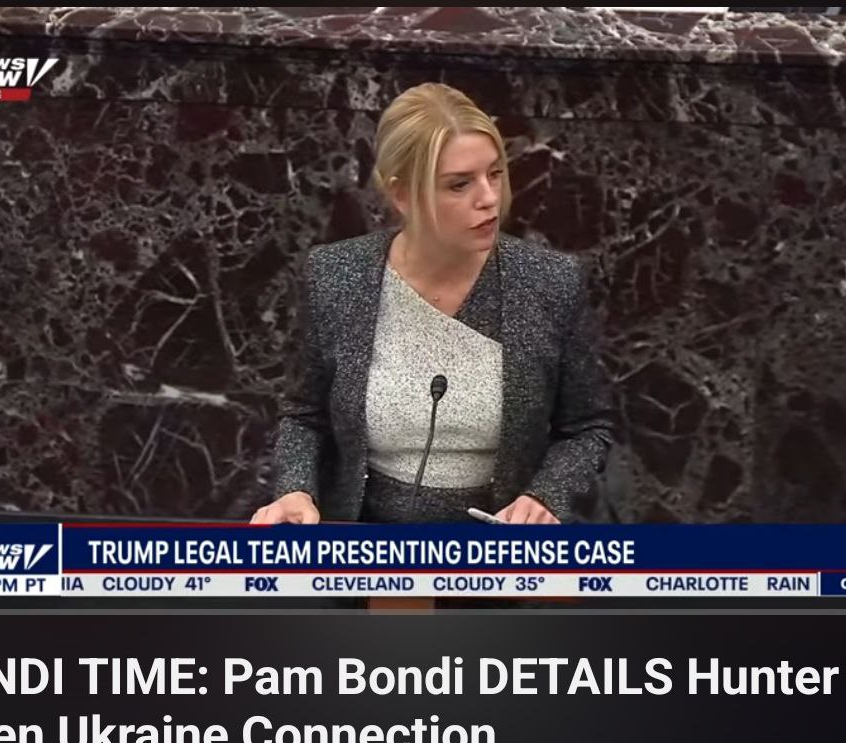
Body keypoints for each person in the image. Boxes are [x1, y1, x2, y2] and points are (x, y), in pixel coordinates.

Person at [251, 82, 615, 527]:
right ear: (402, 194)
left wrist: (546, 496)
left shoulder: (549, 282)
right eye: (460, 184)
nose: (489, 198)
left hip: (498, 551)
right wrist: (296, 489)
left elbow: (586, 428)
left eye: (495, 174)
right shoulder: (337, 276)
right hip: (365, 546)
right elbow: (304, 415)